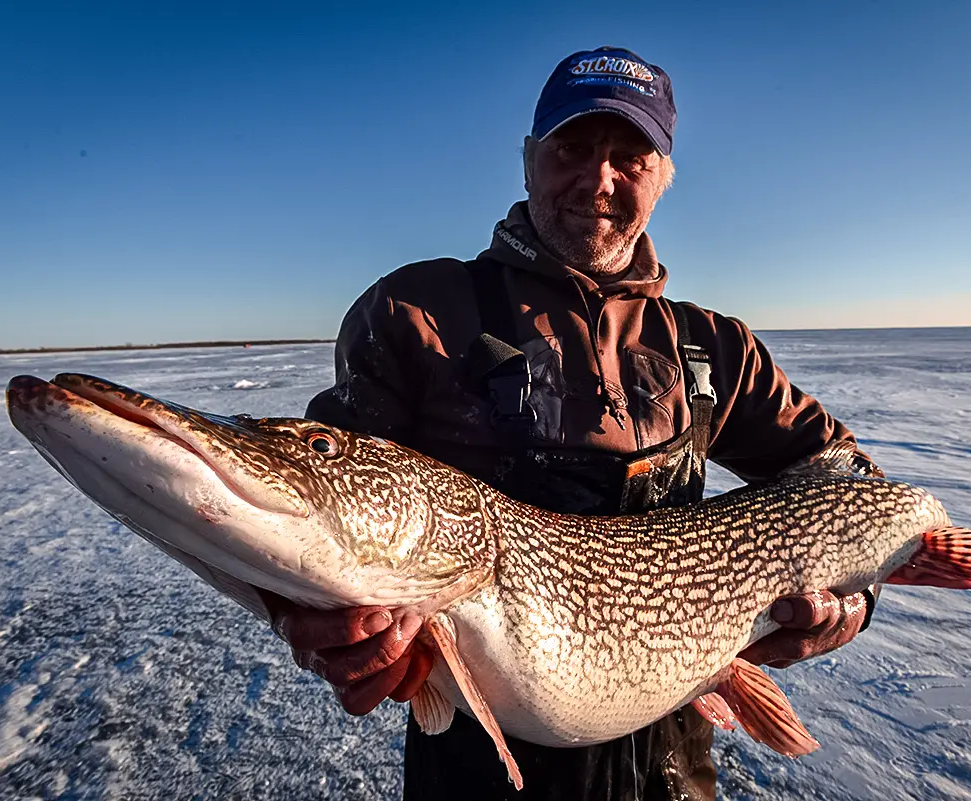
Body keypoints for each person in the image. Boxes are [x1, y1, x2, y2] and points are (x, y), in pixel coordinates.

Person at [261, 46, 881, 801]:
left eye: (631, 155)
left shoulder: (714, 347)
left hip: (673, 765)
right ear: (528, 161)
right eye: (573, 148)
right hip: (477, 758)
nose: (599, 179)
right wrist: (313, 622)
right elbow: (329, 505)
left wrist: (851, 602)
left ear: (663, 179)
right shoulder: (416, 314)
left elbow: (843, 478)